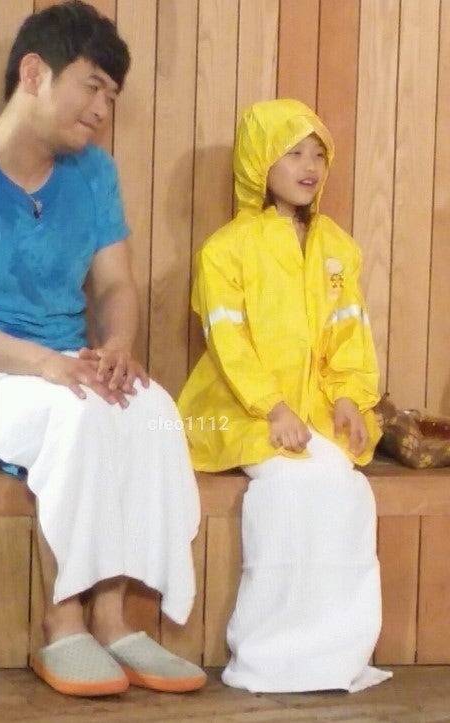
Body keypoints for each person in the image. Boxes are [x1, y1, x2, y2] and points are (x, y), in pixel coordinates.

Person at [0, 1, 206, 697]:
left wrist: (118, 345)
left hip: (67, 365)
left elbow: (115, 284)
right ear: (35, 73)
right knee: (77, 413)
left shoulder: (93, 174)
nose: (102, 109)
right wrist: (44, 363)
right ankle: (63, 621)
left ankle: (116, 618)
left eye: (112, 96)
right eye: (93, 86)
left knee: (152, 409)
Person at [178, 99, 392, 693]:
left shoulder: (337, 247)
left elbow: (350, 333)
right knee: (293, 485)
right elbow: (229, 343)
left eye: (318, 153)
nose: (310, 166)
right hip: (240, 407)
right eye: (293, 152)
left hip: (316, 410)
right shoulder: (225, 250)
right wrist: (272, 408)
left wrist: (348, 398)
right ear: (258, 162)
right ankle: (269, 654)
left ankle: (335, 653)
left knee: (346, 488)